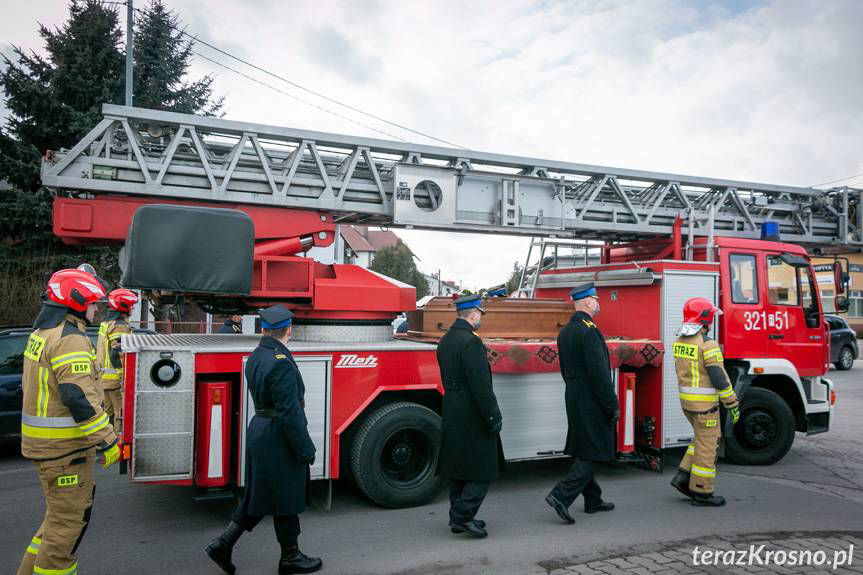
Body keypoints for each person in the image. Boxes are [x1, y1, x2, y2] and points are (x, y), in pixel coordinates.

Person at [17, 268, 120, 575]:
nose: (96, 308)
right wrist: (108, 439)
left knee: (52, 526)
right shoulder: (70, 338)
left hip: (48, 450)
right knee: (65, 536)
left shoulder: (42, 332)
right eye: (92, 303)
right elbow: (77, 396)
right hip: (65, 454)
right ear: (75, 301)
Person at [205, 304, 321, 574]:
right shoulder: (280, 362)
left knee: (263, 495)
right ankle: (290, 557)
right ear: (288, 330)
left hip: (261, 429)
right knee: (287, 496)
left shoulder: (258, 355)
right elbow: (289, 412)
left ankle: (223, 544)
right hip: (278, 436)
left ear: (264, 329)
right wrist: (305, 448)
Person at [546, 282, 617, 524]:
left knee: (585, 444)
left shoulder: (566, 331)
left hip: (574, 396)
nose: (598, 303)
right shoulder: (590, 331)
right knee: (594, 449)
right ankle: (561, 496)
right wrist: (612, 404)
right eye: (596, 299)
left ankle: (593, 500)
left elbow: (566, 370)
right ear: (587, 302)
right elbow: (599, 374)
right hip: (591, 398)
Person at [436, 294, 503, 539]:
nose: (480, 319)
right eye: (480, 315)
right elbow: (481, 387)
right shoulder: (471, 342)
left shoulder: (446, 340)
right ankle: (463, 516)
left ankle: (457, 516)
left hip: (452, 407)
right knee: (483, 467)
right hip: (472, 411)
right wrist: (493, 416)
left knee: (459, 466)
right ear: (474, 314)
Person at [669, 298, 740, 507]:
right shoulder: (708, 344)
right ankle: (702, 491)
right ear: (706, 318)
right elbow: (719, 378)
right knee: (708, 446)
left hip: (688, 404)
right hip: (705, 407)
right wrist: (732, 403)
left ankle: (683, 477)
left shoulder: (680, 341)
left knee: (701, 439)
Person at [96, 288, 139, 433]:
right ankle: (116, 444)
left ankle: (103, 441)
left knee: (107, 414)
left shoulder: (107, 323)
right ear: (124, 306)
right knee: (120, 415)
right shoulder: (119, 325)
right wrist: (123, 375)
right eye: (131, 305)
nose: (133, 308)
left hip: (104, 378)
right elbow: (116, 352)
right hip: (115, 380)